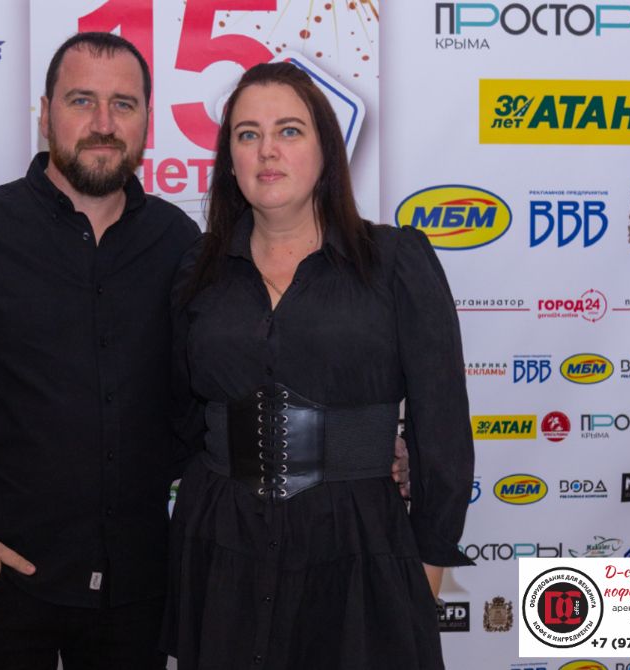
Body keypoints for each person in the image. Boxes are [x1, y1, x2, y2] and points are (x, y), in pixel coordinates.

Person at [0, 32, 200, 669]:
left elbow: (211, 395)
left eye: (123, 104)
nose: (103, 123)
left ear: (146, 122)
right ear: (46, 114)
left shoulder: (179, 241)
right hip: (2, 593)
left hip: (136, 594)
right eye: (81, 101)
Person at [162, 63, 474, 669]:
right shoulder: (197, 270)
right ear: (229, 159)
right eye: (248, 134)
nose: (267, 150)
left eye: (289, 130)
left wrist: (430, 562)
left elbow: (441, 423)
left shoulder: (394, 260)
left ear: (327, 150)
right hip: (222, 542)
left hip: (360, 546)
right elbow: (179, 411)